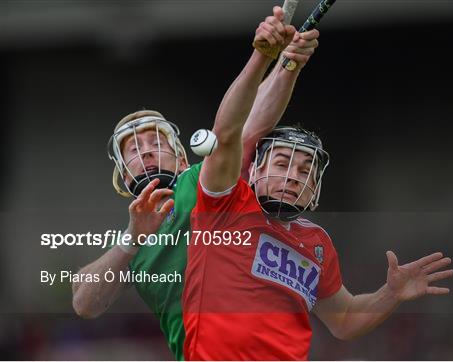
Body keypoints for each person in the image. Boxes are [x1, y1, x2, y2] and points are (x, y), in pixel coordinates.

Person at [182, 16, 453, 362]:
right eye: (283, 164)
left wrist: (390, 294)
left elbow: (343, 319)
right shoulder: (224, 206)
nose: (294, 176)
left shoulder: (317, 244)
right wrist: (263, 58)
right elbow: (228, 133)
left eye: (305, 170)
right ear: (254, 169)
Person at [71, 7, 320, 360]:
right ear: (124, 177)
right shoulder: (131, 241)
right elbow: (84, 304)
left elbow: (245, 129)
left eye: (156, 141)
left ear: (184, 158)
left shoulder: (201, 183)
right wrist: (131, 239)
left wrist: (285, 64)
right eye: (134, 148)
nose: (147, 151)